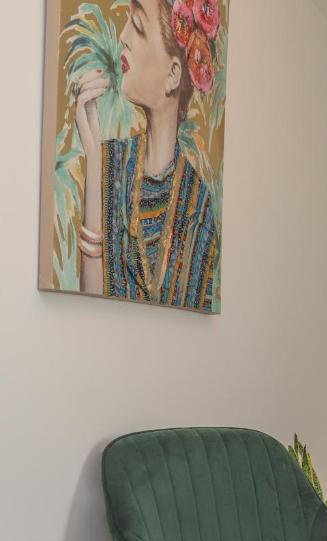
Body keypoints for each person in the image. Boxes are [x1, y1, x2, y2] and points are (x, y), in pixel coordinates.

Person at [74, 0, 221, 312]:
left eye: (138, 26)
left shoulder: (201, 207)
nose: (123, 35)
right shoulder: (110, 163)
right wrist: (94, 161)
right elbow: (89, 305)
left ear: (173, 75)